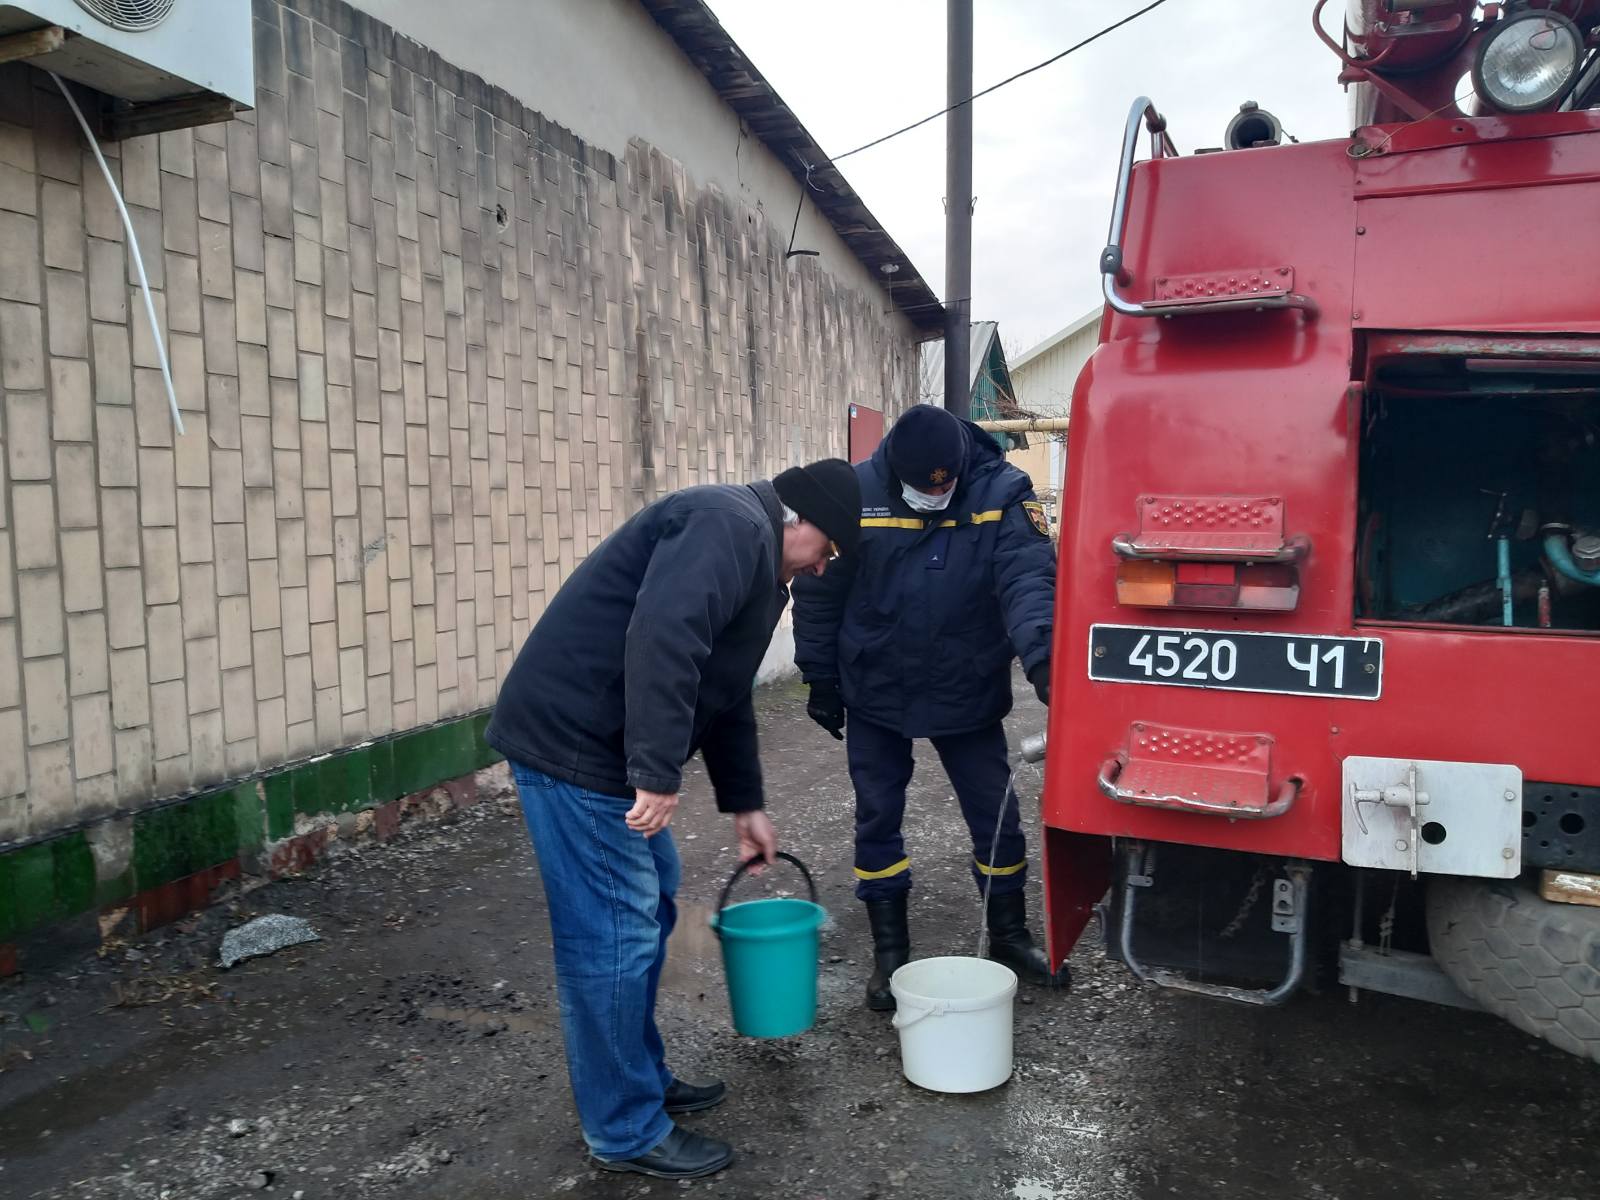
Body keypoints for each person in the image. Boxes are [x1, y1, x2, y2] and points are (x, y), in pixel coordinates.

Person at [486, 459, 861, 1180]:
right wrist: (654, 771)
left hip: (598, 746)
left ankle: (638, 1081)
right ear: (803, 520)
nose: (821, 570)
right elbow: (663, 636)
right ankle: (623, 1128)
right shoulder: (726, 525)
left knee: (648, 906)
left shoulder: (756, 560)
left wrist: (744, 803)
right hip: (574, 749)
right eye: (830, 551)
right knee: (614, 938)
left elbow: (721, 691)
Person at [793, 404, 1065, 1011]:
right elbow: (818, 586)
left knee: (995, 811)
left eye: (945, 484)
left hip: (964, 680)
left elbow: (1028, 580)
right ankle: (890, 953)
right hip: (875, 684)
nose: (935, 494)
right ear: (897, 468)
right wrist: (819, 677)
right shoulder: (857, 491)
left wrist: (1046, 661)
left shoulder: (1003, 491)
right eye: (923, 486)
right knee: (877, 814)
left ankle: (1010, 936)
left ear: (961, 466)